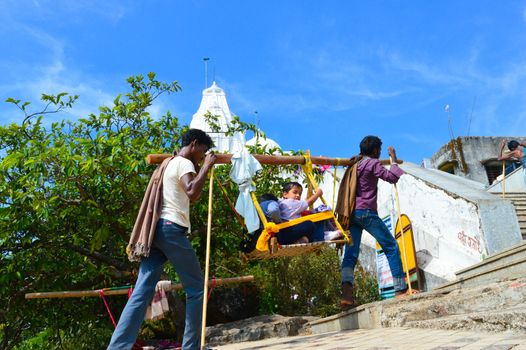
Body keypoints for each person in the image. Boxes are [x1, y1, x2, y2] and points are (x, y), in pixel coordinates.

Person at [108, 129, 216, 350]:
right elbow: (192, 192)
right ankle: (191, 347)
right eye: (202, 151)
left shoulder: (167, 163)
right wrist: (206, 166)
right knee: (196, 288)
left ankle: (117, 347)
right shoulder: (184, 163)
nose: (202, 156)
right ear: (194, 144)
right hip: (171, 229)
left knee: (142, 291)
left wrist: (202, 166)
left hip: (155, 231)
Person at [339, 135, 408, 310]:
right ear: (376, 150)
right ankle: (400, 290)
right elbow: (391, 177)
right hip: (366, 212)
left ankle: (347, 296)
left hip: (351, 213)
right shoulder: (372, 163)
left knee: (351, 254)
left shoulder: (355, 164)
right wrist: (393, 159)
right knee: (391, 246)